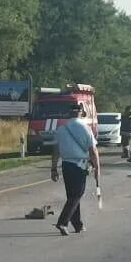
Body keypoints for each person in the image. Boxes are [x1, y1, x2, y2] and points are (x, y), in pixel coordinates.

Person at [49, 101, 101, 235]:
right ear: (81, 113)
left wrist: (54, 168)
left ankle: (77, 225)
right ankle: (62, 222)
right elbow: (93, 151)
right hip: (80, 165)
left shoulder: (61, 129)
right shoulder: (85, 128)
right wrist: (97, 169)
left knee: (72, 196)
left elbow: (56, 151)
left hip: (66, 165)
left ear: (68, 114)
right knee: (77, 195)